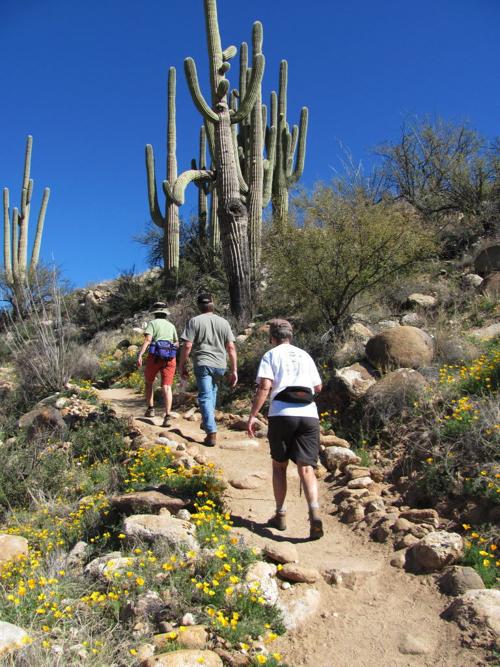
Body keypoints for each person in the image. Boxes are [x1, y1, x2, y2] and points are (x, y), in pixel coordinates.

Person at [247, 319, 324, 540]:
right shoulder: (305, 355)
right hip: (309, 414)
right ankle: (314, 512)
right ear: (290, 335)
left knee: (279, 467)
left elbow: (265, 386)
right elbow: (318, 387)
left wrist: (252, 415)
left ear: (272, 337)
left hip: (282, 415)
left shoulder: (271, 355)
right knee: (307, 469)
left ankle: (280, 514)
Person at [178, 292, 237, 447]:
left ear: (199, 306)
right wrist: (234, 370)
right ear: (212, 304)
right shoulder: (224, 322)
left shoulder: (194, 321)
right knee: (212, 391)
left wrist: (182, 365)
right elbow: (230, 347)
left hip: (203, 362)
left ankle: (211, 432)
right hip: (220, 365)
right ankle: (207, 421)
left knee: (204, 396)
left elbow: (188, 345)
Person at [137, 306, 179, 427]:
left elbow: (148, 340)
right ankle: (167, 416)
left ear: (155, 314)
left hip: (154, 357)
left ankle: (151, 409)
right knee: (167, 386)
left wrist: (140, 355)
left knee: (149, 382)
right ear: (165, 314)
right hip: (170, 358)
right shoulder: (171, 326)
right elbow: (176, 343)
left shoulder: (152, 323)